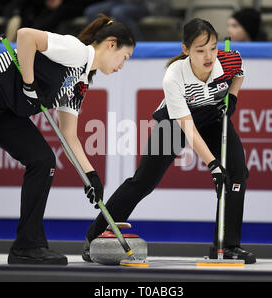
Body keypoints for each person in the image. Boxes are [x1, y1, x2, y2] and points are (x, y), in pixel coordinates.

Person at [0, 14, 135, 265]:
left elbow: (69, 135)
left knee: (42, 160)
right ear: (111, 44)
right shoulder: (75, 51)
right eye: (124, 58)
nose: (121, 66)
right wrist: (29, 84)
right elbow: (25, 36)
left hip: (4, 110)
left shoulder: (80, 82)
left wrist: (90, 175)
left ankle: (28, 246)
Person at [83, 18, 256, 264]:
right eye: (200, 50)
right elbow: (187, 127)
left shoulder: (229, 60)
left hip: (214, 118)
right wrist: (213, 165)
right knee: (143, 182)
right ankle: (94, 237)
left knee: (237, 174)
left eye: (213, 48)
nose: (209, 56)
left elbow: (239, 73)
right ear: (185, 50)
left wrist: (233, 98)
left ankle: (227, 246)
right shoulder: (174, 76)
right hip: (176, 122)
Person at [84, 0, 151, 41]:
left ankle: (135, 44)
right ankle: (99, 43)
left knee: (119, 12)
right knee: (91, 12)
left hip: (141, 4)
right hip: (117, 2)